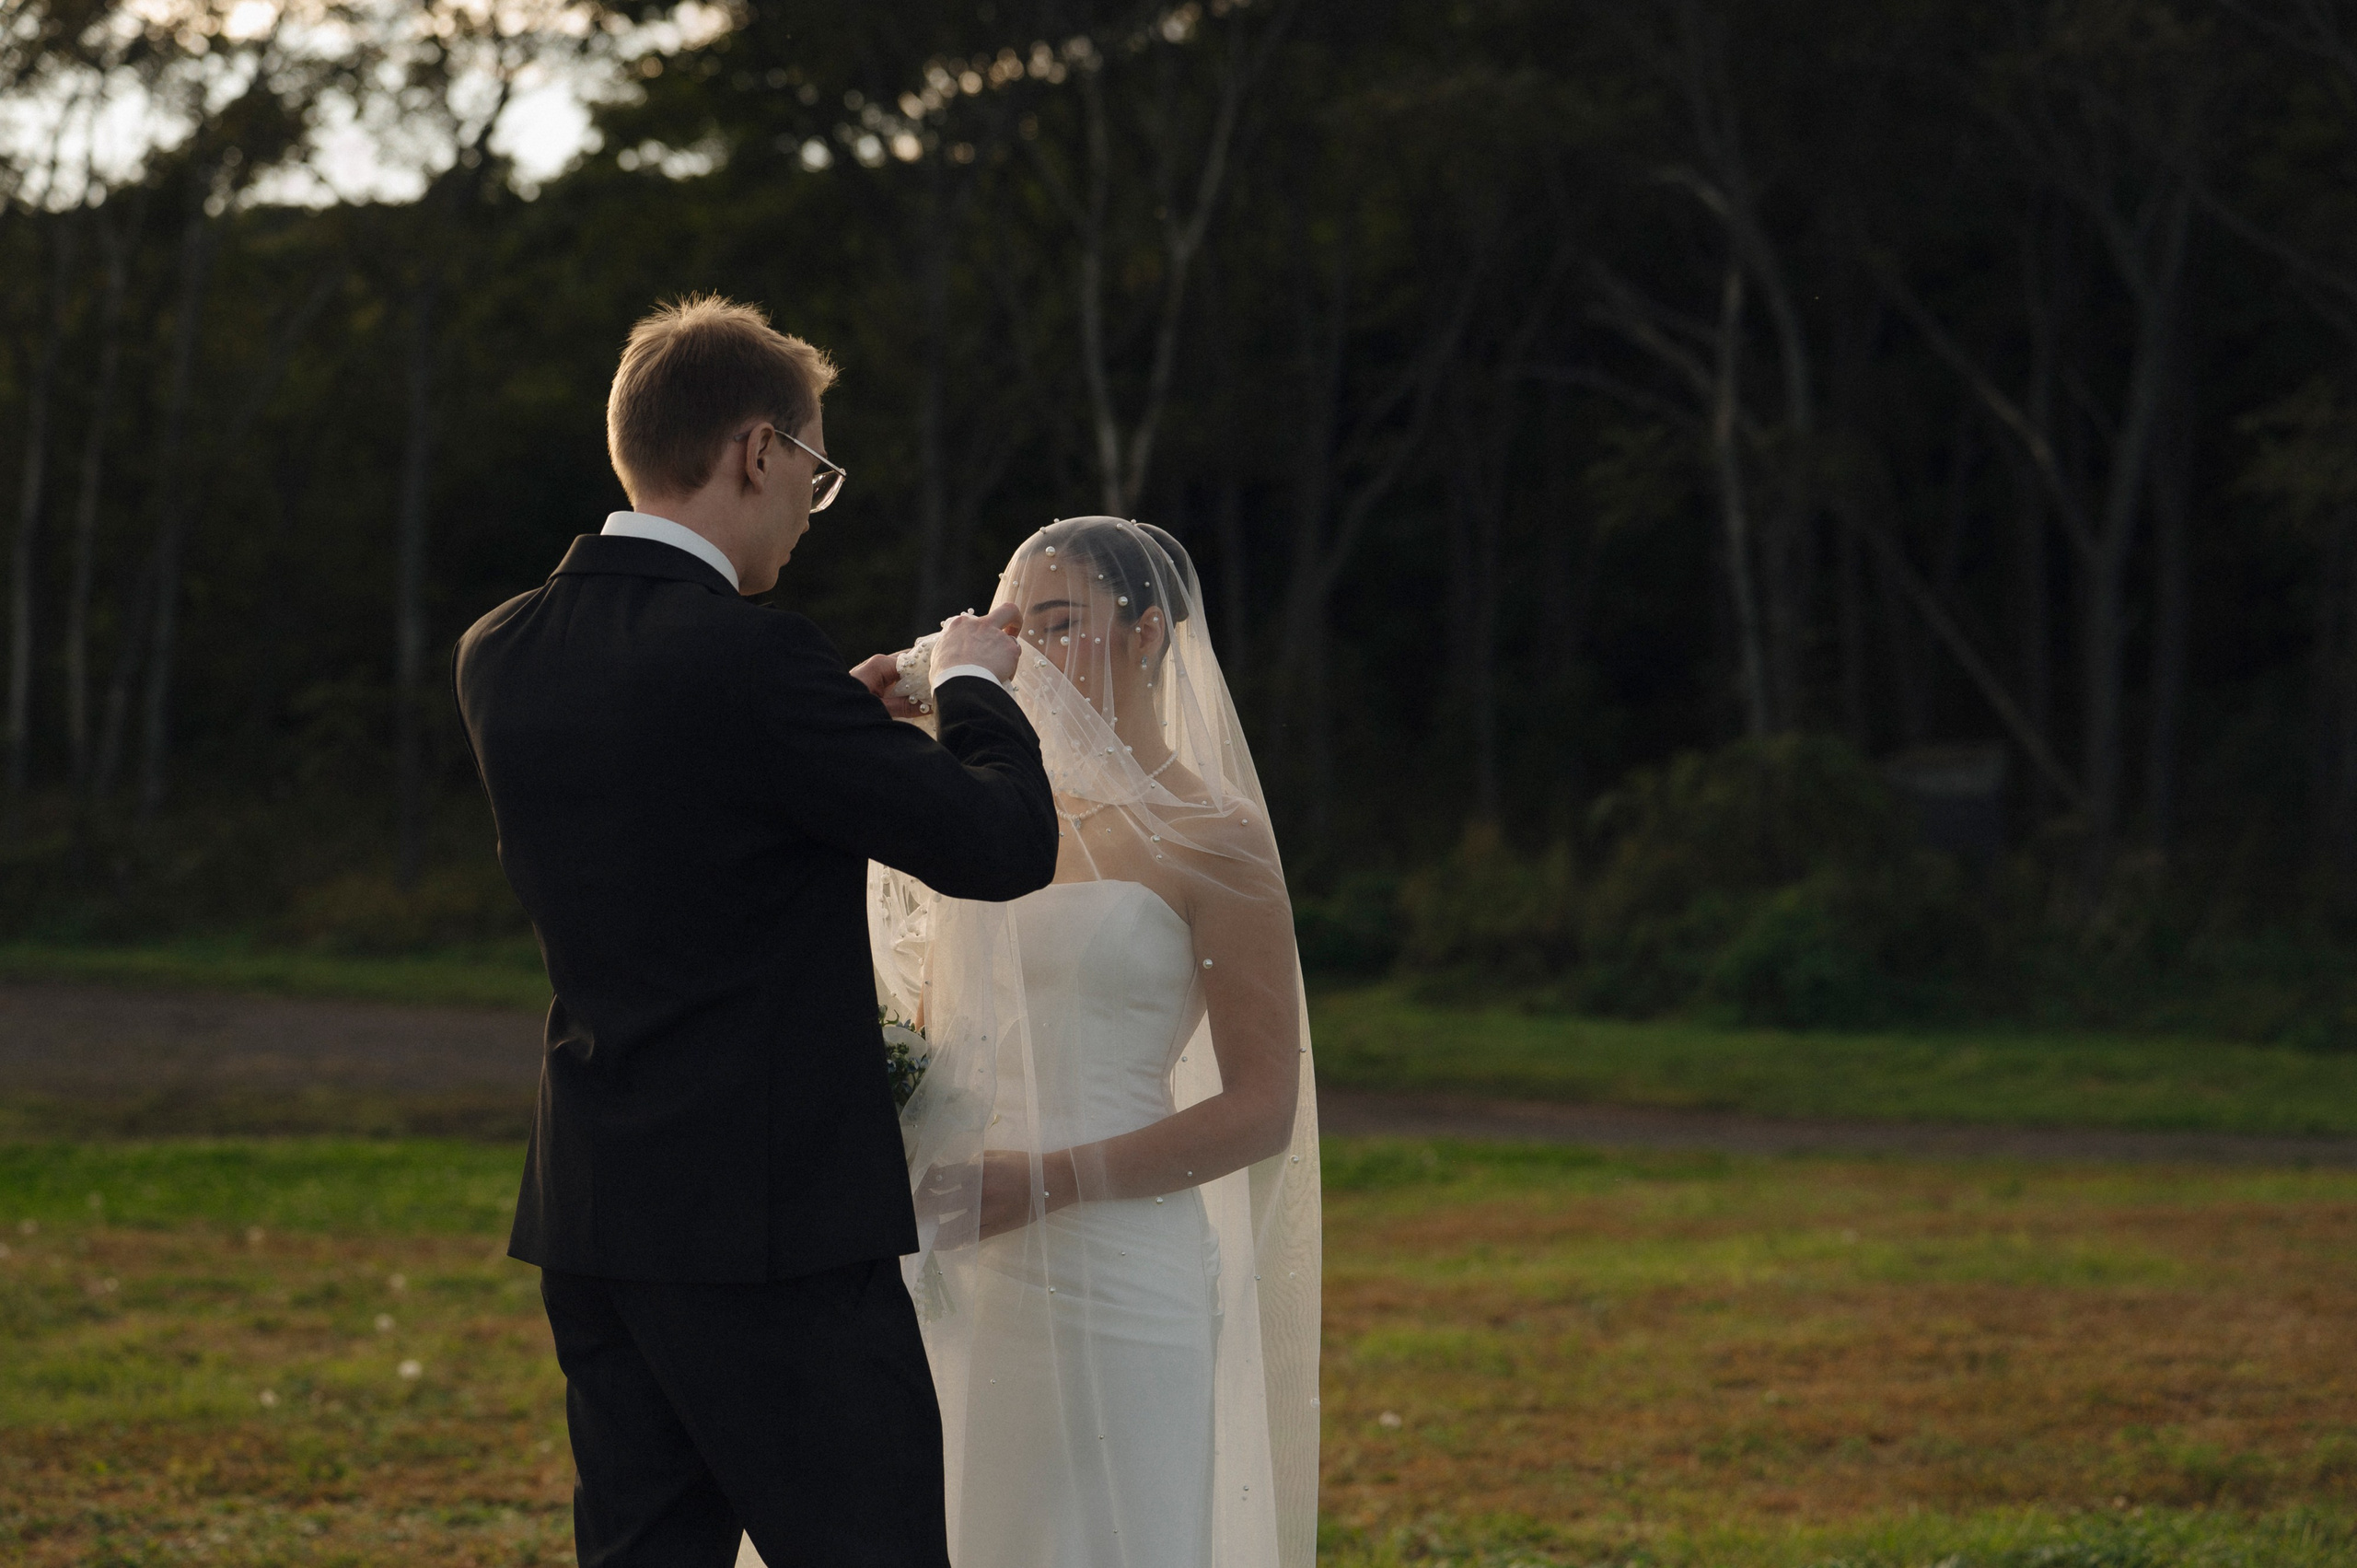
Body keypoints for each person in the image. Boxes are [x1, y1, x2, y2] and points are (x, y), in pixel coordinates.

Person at [452, 295, 1059, 1568]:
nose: (807, 507)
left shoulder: (502, 649)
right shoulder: (750, 663)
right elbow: (1004, 847)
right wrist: (973, 687)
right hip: (772, 1228)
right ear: (758, 452)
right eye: (816, 472)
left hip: (598, 1209)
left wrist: (830, 724)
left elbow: (681, 812)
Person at [803, 517, 1322, 1568]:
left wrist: (1045, 1182)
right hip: (952, 1243)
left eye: (1061, 623)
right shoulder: (986, 812)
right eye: (1013, 627)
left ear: (1147, 636)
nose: (1031, 651)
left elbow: (1262, 1106)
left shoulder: (1215, 835)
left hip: (1118, 1259)